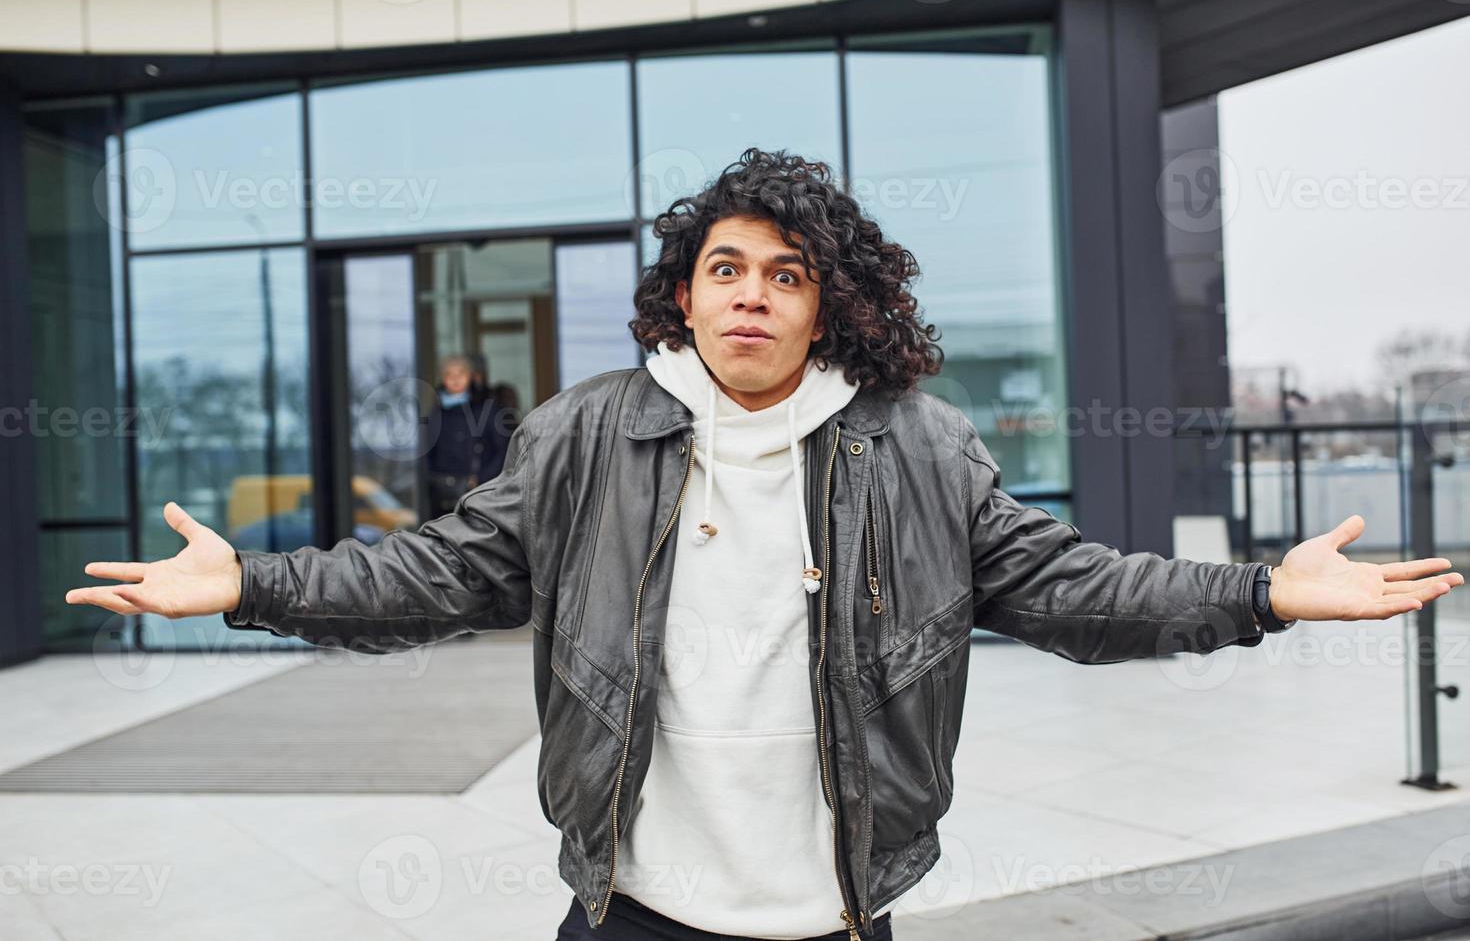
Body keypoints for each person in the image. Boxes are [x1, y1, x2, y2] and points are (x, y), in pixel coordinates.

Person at [65, 149, 1462, 941]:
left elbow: (1069, 588)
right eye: (724, 269)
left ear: (824, 307)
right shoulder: (582, 435)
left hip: (840, 912)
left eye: (784, 275)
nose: (750, 296)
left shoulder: (915, 443)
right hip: (632, 909)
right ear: (685, 295)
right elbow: (432, 572)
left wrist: (1259, 589)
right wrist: (254, 579)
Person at [425, 354, 510, 519]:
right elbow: (427, 457)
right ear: (443, 379)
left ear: (471, 377)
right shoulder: (435, 415)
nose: (455, 379)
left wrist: (481, 480)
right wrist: (439, 482)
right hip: (444, 499)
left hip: (481, 495)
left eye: (461, 373)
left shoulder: (488, 409)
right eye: (449, 374)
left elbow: (503, 451)